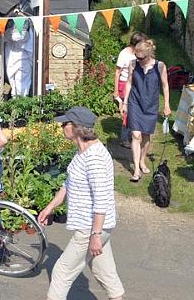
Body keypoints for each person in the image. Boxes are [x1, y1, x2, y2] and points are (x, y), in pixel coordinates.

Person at [38, 106, 124, 300]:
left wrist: (95, 235)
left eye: (64, 124)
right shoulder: (82, 152)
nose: (61, 127)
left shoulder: (94, 158)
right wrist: (50, 207)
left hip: (91, 227)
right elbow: (68, 183)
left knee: (61, 271)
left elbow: (101, 199)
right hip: (96, 226)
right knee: (104, 271)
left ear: (76, 127)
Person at [120, 39, 171, 182]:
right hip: (135, 102)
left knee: (146, 135)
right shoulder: (132, 64)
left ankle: (143, 160)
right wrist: (125, 102)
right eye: (136, 56)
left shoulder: (160, 66)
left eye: (140, 57)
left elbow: (165, 86)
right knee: (136, 135)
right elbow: (129, 83)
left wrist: (166, 104)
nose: (138, 59)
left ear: (148, 55)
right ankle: (136, 169)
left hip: (150, 104)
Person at [114, 32, 148, 148]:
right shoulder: (124, 54)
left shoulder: (139, 53)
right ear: (136, 43)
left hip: (136, 84)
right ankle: (124, 139)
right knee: (127, 112)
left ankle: (134, 134)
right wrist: (116, 90)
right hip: (124, 84)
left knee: (136, 110)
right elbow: (117, 73)